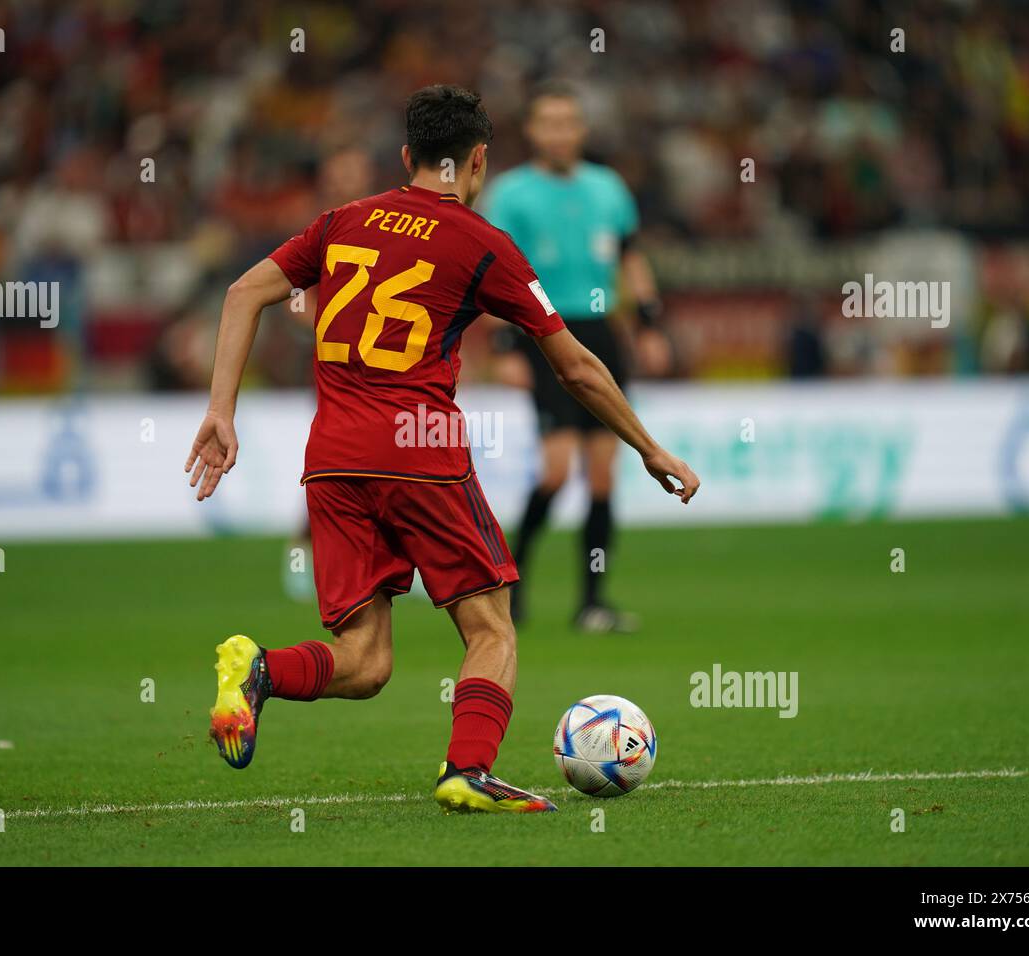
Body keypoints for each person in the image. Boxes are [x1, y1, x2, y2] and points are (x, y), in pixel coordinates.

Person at [185, 85, 698, 814]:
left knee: (365, 663)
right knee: (492, 627)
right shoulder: (481, 242)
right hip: (417, 451)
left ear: (406, 157)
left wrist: (220, 411)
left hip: (332, 459)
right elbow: (576, 366)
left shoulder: (342, 221)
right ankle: (468, 769)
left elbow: (242, 292)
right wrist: (647, 447)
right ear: (479, 160)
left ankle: (258, 670)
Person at [483, 82, 668, 634]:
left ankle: (593, 602)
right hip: (543, 334)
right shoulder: (511, 194)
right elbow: (492, 274)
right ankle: (511, 589)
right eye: (549, 123)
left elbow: (632, 259)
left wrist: (652, 325)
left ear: (581, 130)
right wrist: (504, 345)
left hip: (602, 334)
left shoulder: (609, 188)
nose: (560, 133)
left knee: (605, 477)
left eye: (569, 123)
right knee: (558, 470)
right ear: (533, 131)